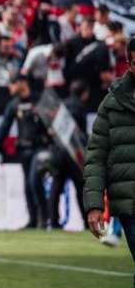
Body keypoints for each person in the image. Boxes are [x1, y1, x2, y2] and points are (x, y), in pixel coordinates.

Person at [83, 38, 135, 286]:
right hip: (130, 201)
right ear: (130, 64)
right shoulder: (113, 104)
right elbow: (95, 156)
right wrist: (94, 205)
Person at [0, 75, 52, 229]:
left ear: (22, 83)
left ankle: (44, 219)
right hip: (24, 150)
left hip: (40, 149)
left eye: (12, 84)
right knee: (27, 185)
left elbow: (53, 123)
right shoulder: (14, 104)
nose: (9, 88)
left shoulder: (40, 99)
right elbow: (4, 127)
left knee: (34, 181)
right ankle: (33, 220)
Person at [48, 79, 88, 231]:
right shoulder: (80, 108)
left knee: (56, 187)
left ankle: (53, 222)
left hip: (58, 152)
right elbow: (81, 135)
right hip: (73, 154)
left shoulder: (60, 105)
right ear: (84, 93)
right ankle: (86, 221)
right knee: (80, 188)